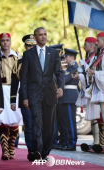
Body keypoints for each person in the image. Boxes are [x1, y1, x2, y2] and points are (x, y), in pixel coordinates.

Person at [21, 27, 65, 161]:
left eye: (45, 34)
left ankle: (45, 151)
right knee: (36, 123)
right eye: (40, 35)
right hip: (34, 95)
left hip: (50, 94)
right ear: (35, 37)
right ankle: (38, 151)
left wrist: (61, 87)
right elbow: (24, 78)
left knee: (48, 125)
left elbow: (59, 73)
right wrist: (25, 97)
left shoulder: (53, 53)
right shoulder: (28, 54)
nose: (43, 37)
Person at [0, 32, 22, 160]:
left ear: (10, 41)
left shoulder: (18, 57)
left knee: (14, 119)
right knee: (2, 119)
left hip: (15, 90)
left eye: (7, 40)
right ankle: (4, 149)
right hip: (1, 90)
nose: (5, 43)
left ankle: (11, 147)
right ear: (0, 42)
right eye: (3, 40)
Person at [10, 34, 36, 155]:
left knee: (39, 125)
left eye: (33, 46)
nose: (31, 48)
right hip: (25, 97)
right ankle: (31, 150)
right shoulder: (18, 62)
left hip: (39, 97)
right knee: (29, 125)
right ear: (25, 46)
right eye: (29, 46)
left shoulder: (41, 60)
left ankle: (40, 149)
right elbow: (14, 82)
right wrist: (13, 100)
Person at [57, 48, 79, 151]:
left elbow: (64, 80)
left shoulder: (74, 67)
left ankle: (72, 142)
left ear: (72, 57)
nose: (65, 58)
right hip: (65, 97)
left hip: (70, 96)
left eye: (66, 56)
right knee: (64, 122)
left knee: (70, 122)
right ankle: (66, 141)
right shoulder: (69, 68)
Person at [49, 44, 64, 150]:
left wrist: (60, 88)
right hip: (48, 93)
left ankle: (53, 140)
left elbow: (61, 75)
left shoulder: (58, 65)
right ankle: (51, 140)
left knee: (53, 120)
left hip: (54, 94)